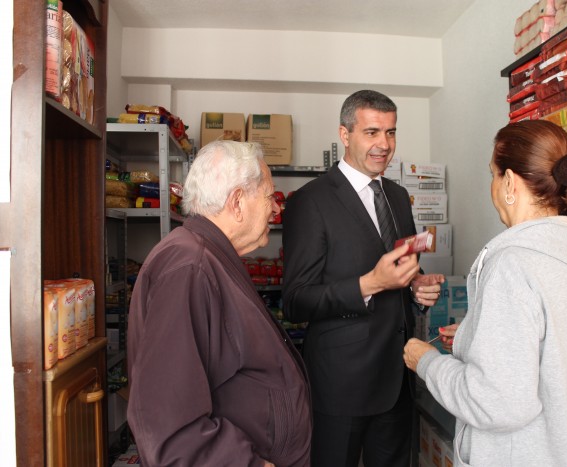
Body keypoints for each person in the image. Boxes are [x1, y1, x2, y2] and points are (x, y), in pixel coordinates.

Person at [403, 120, 567, 467]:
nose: (491, 186)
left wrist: (426, 362)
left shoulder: (513, 264)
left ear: (508, 182)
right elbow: (558, 348)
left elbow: (495, 402)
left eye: (493, 174)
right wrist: (479, 337)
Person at [282, 89, 445, 467]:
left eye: (390, 133)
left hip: (398, 377)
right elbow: (295, 301)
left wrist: (416, 283)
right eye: (372, 132)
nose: (384, 145)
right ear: (344, 134)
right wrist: (369, 283)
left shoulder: (398, 196)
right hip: (341, 385)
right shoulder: (311, 201)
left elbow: (401, 267)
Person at [127, 140, 312, 467]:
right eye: (270, 196)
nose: (276, 208)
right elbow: (171, 429)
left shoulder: (207, 256)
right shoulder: (190, 267)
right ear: (237, 201)